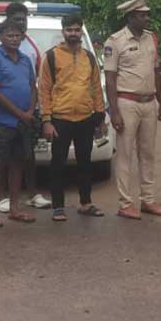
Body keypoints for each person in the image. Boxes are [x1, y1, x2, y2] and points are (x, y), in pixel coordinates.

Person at [104, 0, 161, 219]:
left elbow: (156, 72)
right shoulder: (115, 41)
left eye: (147, 14)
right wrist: (114, 111)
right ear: (131, 17)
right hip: (126, 102)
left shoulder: (152, 39)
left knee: (148, 153)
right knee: (124, 154)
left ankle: (148, 200)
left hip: (149, 102)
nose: (147, 18)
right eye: (142, 15)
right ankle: (125, 203)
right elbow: (110, 79)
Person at [39, 13, 108, 221]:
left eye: (77, 30)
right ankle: (58, 207)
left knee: (85, 163)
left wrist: (100, 117)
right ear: (63, 32)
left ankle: (86, 203)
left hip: (86, 118)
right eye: (69, 30)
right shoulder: (51, 56)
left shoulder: (89, 57)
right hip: (60, 119)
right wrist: (47, 120)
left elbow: (96, 87)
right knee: (58, 164)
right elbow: (44, 90)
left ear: (81, 31)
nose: (73, 34)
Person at [0, 2, 50, 211]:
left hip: (26, 118)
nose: (14, 38)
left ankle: (16, 207)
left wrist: (30, 112)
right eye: (9, 35)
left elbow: (34, 86)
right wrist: (20, 114)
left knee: (20, 162)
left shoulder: (25, 56)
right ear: (1, 37)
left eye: (17, 35)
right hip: (3, 120)